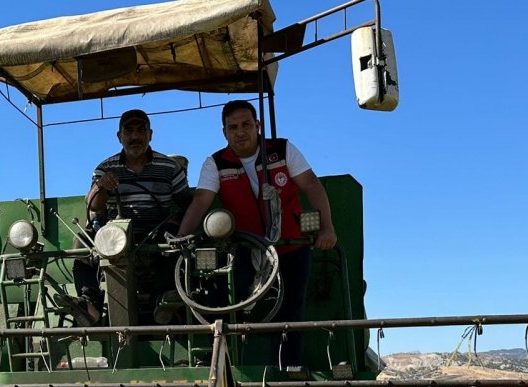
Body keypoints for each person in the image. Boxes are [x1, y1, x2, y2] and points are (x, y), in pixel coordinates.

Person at [177, 100, 337, 368]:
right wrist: (181, 238)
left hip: (291, 246)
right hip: (245, 249)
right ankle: (223, 366)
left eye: (246, 125)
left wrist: (327, 228)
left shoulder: (283, 150)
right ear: (224, 132)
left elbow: (311, 185)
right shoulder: (215, 163)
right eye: (233, 127)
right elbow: (201, 202)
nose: (240, 132)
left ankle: (289, 372)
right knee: (223, 301)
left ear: (258, 126)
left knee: (291, 311)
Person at [73, 109, 192, 324]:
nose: (135, 137)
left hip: (157, 234)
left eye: (141, 130)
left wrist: (178, 224)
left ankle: (163, 299)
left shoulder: (169, 168)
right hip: (113, 238)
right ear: (119, 137)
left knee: (178, 237)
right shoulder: (105, 168)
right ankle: (89, 303)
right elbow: (93, 204)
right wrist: (102, 186)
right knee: (82, 240)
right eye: (129, 131)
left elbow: (187, 204)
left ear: (150, 134)